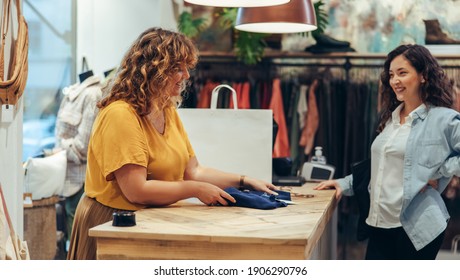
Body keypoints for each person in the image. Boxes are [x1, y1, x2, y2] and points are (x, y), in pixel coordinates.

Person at [67, 27, 277, 260]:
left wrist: (243, 180)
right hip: (112, 223)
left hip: (148, 221)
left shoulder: (165, 109)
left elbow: (194, 170)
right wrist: (195, 190)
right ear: (153, 70)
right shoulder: (121, 114)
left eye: (187, 67)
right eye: (178, 68)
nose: (187, 75)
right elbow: (136, 190)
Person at [315, 44, 460, 260]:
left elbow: (424, 166)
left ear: (423, 76)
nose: (395, 81)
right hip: (380, 223)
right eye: (392, 75)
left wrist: (438, 171)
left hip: (416, 227)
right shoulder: (390, 120)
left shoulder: (443, 119)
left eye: (403, 73)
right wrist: (343, 184)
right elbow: (382, 168)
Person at [53, 73, 102, 243]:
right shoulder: (72, 92)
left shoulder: (92, 94)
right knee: (70, 234)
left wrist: (60, 149)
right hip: (68, 177)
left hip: (81, 180)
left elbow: (84, 146)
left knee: (78, 236)